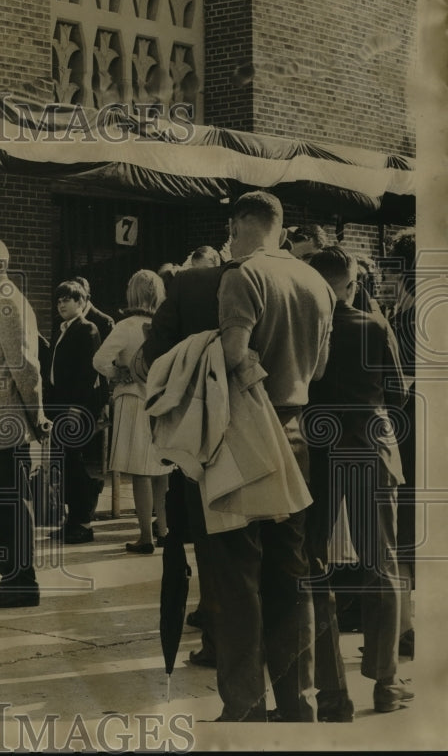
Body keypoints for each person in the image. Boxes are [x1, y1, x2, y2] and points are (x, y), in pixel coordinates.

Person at [209, 191, 334, 722]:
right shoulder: (317, 282)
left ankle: (244, 706)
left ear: (240, 223)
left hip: (248, 432)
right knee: (291, 571)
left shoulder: (242, 273)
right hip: (299, 432)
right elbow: (321, 369)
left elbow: (234, 354)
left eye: (231, 227)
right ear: (281, 226)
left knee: (237, 575)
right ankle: (296, 699)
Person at [305, 245, 411, 718]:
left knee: (313, 564)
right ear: (351, 283)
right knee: (383, 567)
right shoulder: (374, 324)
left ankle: (331, 694)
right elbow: (397, 393)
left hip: (319, 448)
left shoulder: (307, 328)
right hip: (370, 444)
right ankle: (386, 682)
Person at [138, 246, 236, 668]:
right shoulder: (305, 278)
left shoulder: (191, 284)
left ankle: (219, 641)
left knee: (213, 543)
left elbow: (151, 358)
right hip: (286, 431)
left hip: (206, 430)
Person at [0, 236, 50, 608]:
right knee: (4, 502)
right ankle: (12, 577)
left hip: (7, 422)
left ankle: (22, 580)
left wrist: (36, 415)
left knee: (13, 502)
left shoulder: (6, 301)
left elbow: (24, 365)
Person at [93, 269, 170, 554]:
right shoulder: (164, 325)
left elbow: (100, 359)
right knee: (162, 470)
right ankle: (164, 530)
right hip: (161, 400)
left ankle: (145, 536)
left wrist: (117, 372)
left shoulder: (126, 326)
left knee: (140, 473)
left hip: (134, 399)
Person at [43, 279, 103, 544]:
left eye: (68, 299)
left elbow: (87, 373)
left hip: (74, 407)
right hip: (58, 403)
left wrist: (77, 407)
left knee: (74, 462)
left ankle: (83, 519)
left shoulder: (87, 329)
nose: (62, 304)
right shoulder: (61, 330)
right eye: (59, 300)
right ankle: (72, 519)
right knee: (63, 462)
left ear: (81, 302)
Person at [386, 227, 417, 660]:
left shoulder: (409, 313)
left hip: (410, 424)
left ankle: (408, 624)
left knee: (406, 526)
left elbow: (402, 382)